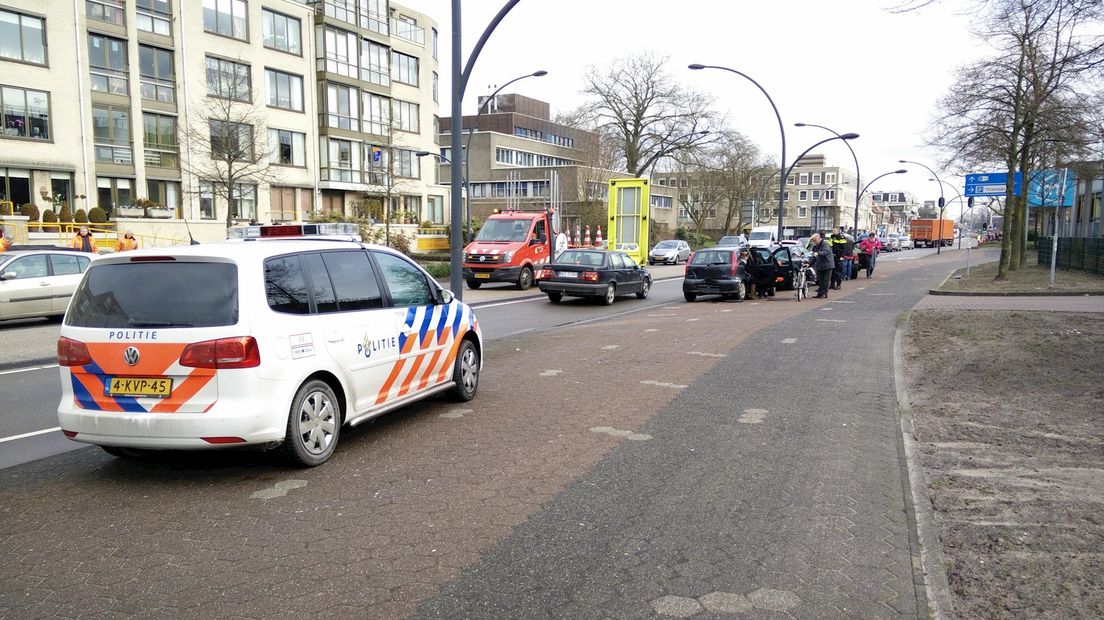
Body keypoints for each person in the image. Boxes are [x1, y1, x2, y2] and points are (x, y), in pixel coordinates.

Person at [809, 233, 834, 298]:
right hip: (820, 265)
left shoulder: (825, 244)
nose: (814, 242)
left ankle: (824, 293)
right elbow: (814, 257)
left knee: (825, 280)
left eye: (815, 240)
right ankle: (820, 293)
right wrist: (809, 264)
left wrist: (818, 253)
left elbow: (825, 252)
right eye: (813, 241)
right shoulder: (815, 247)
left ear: (818, 238)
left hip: (827, 265)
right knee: (820, 280)